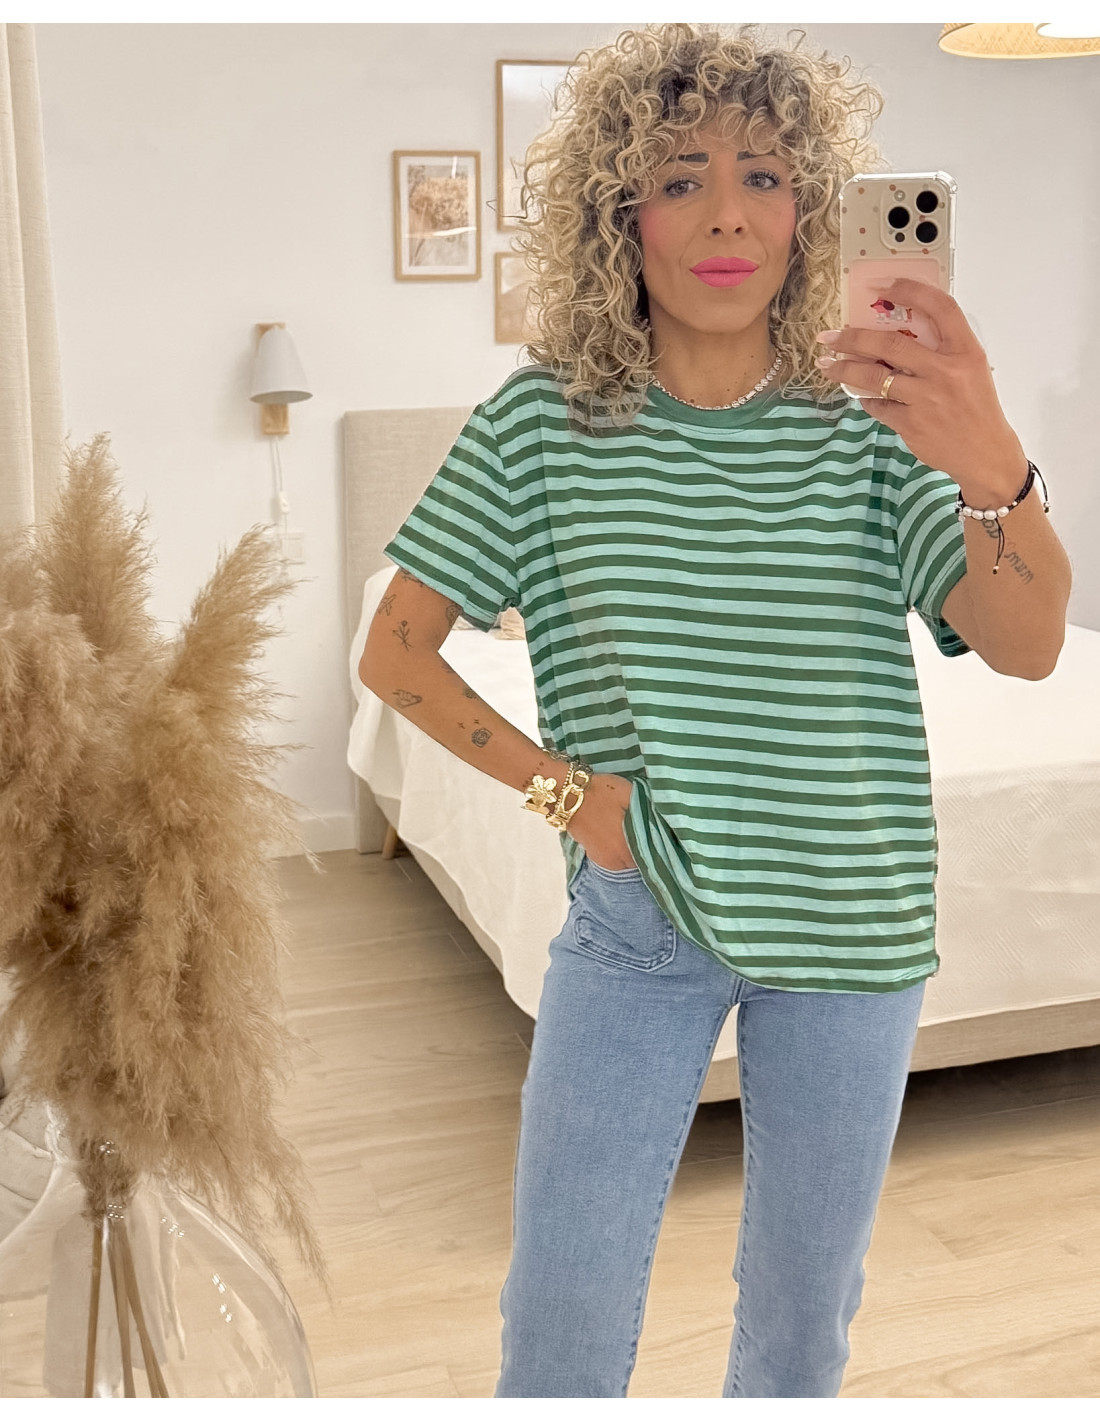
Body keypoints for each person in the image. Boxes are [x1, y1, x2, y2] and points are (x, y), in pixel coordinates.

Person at [359, 23, 1071, 1398]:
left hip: (854, 920)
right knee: (559, 1323)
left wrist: (995, 466)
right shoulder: (541, 426)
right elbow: (397, 653)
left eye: (764, 176)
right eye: (681, 179)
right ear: (618, 216)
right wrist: (571, 796)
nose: (729, 215)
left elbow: (1031, 646)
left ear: (811, 211)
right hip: (640, 919)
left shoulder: (872, 427)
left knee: (800, 1333)